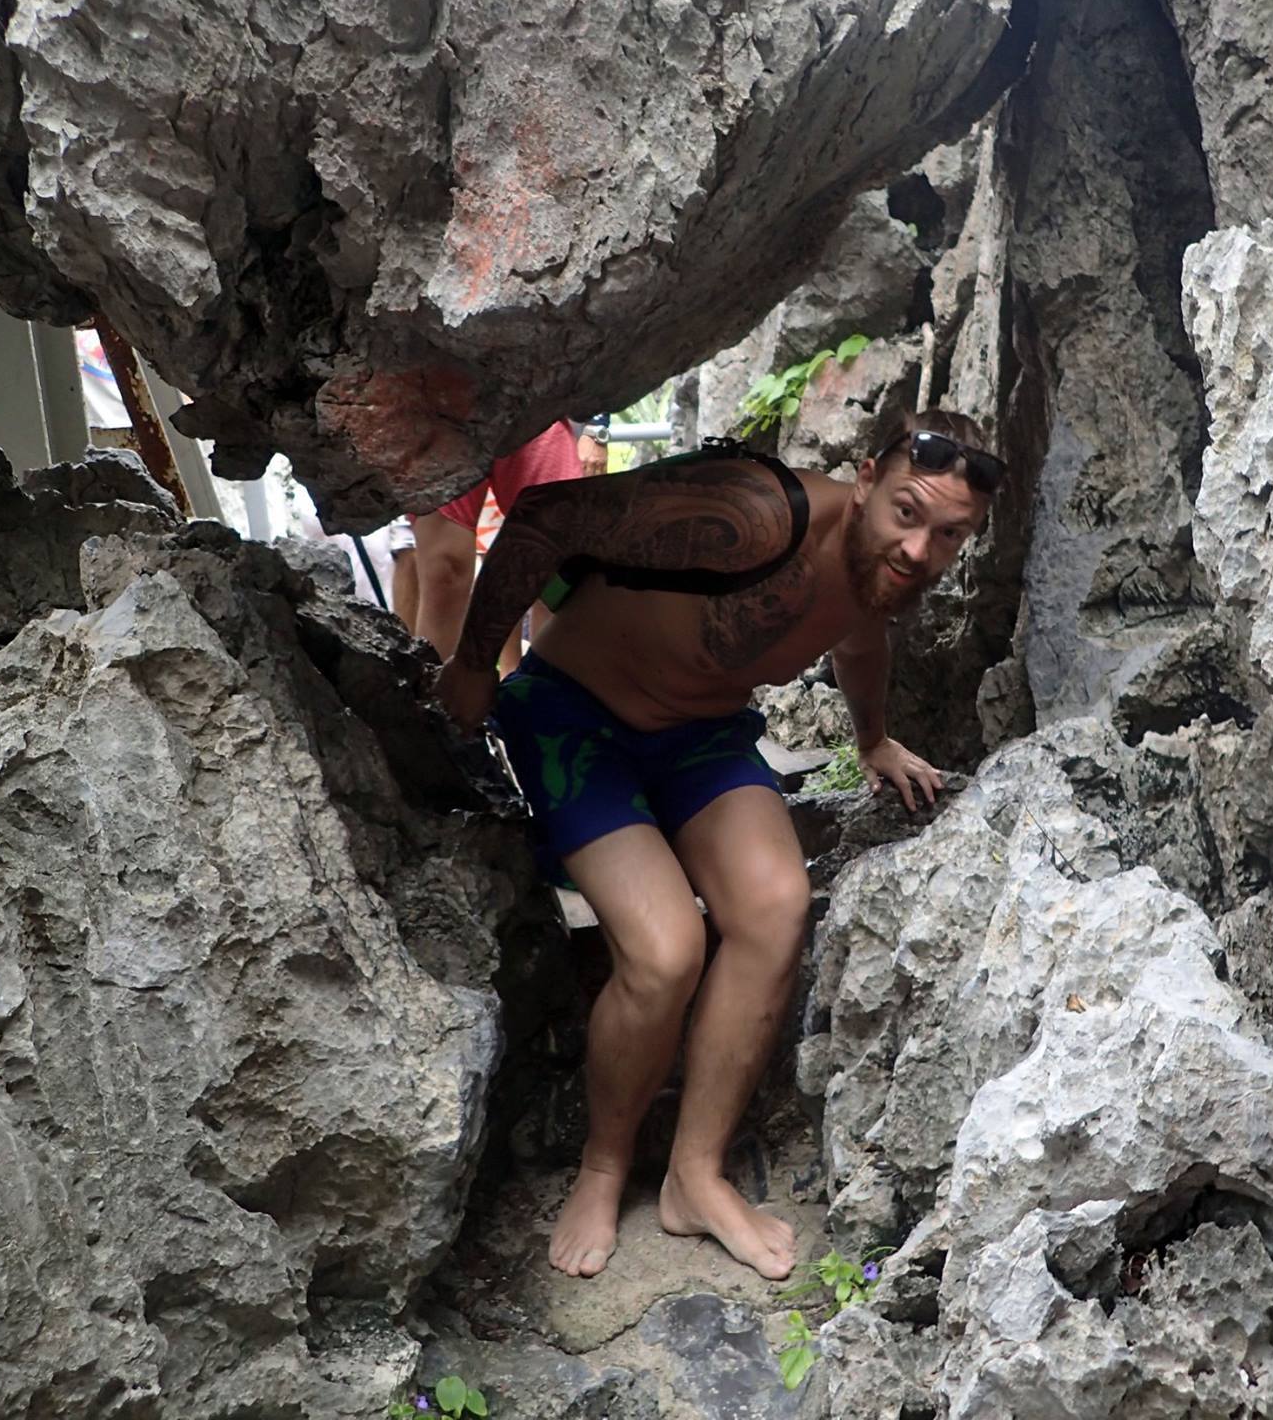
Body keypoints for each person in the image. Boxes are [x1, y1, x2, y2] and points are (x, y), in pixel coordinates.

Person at [435, 409, 1003, 1281]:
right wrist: (475, 666)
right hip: (575, 717)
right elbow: (545, 517)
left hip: (699, 738)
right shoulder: (756, 515)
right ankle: (605, 1165)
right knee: (666, 951)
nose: (919, 550)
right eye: (907, 512)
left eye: (949, 536)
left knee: (776, 907)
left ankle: (694, 1178)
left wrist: (873, 740)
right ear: (865, 480)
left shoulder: (878, 572)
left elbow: (858, 637)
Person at [411, 420, 584, 665]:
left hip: (533, 404)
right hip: (443, 410)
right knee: (445, 571)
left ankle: (548, 694)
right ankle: (433, 695)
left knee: (563, 570)